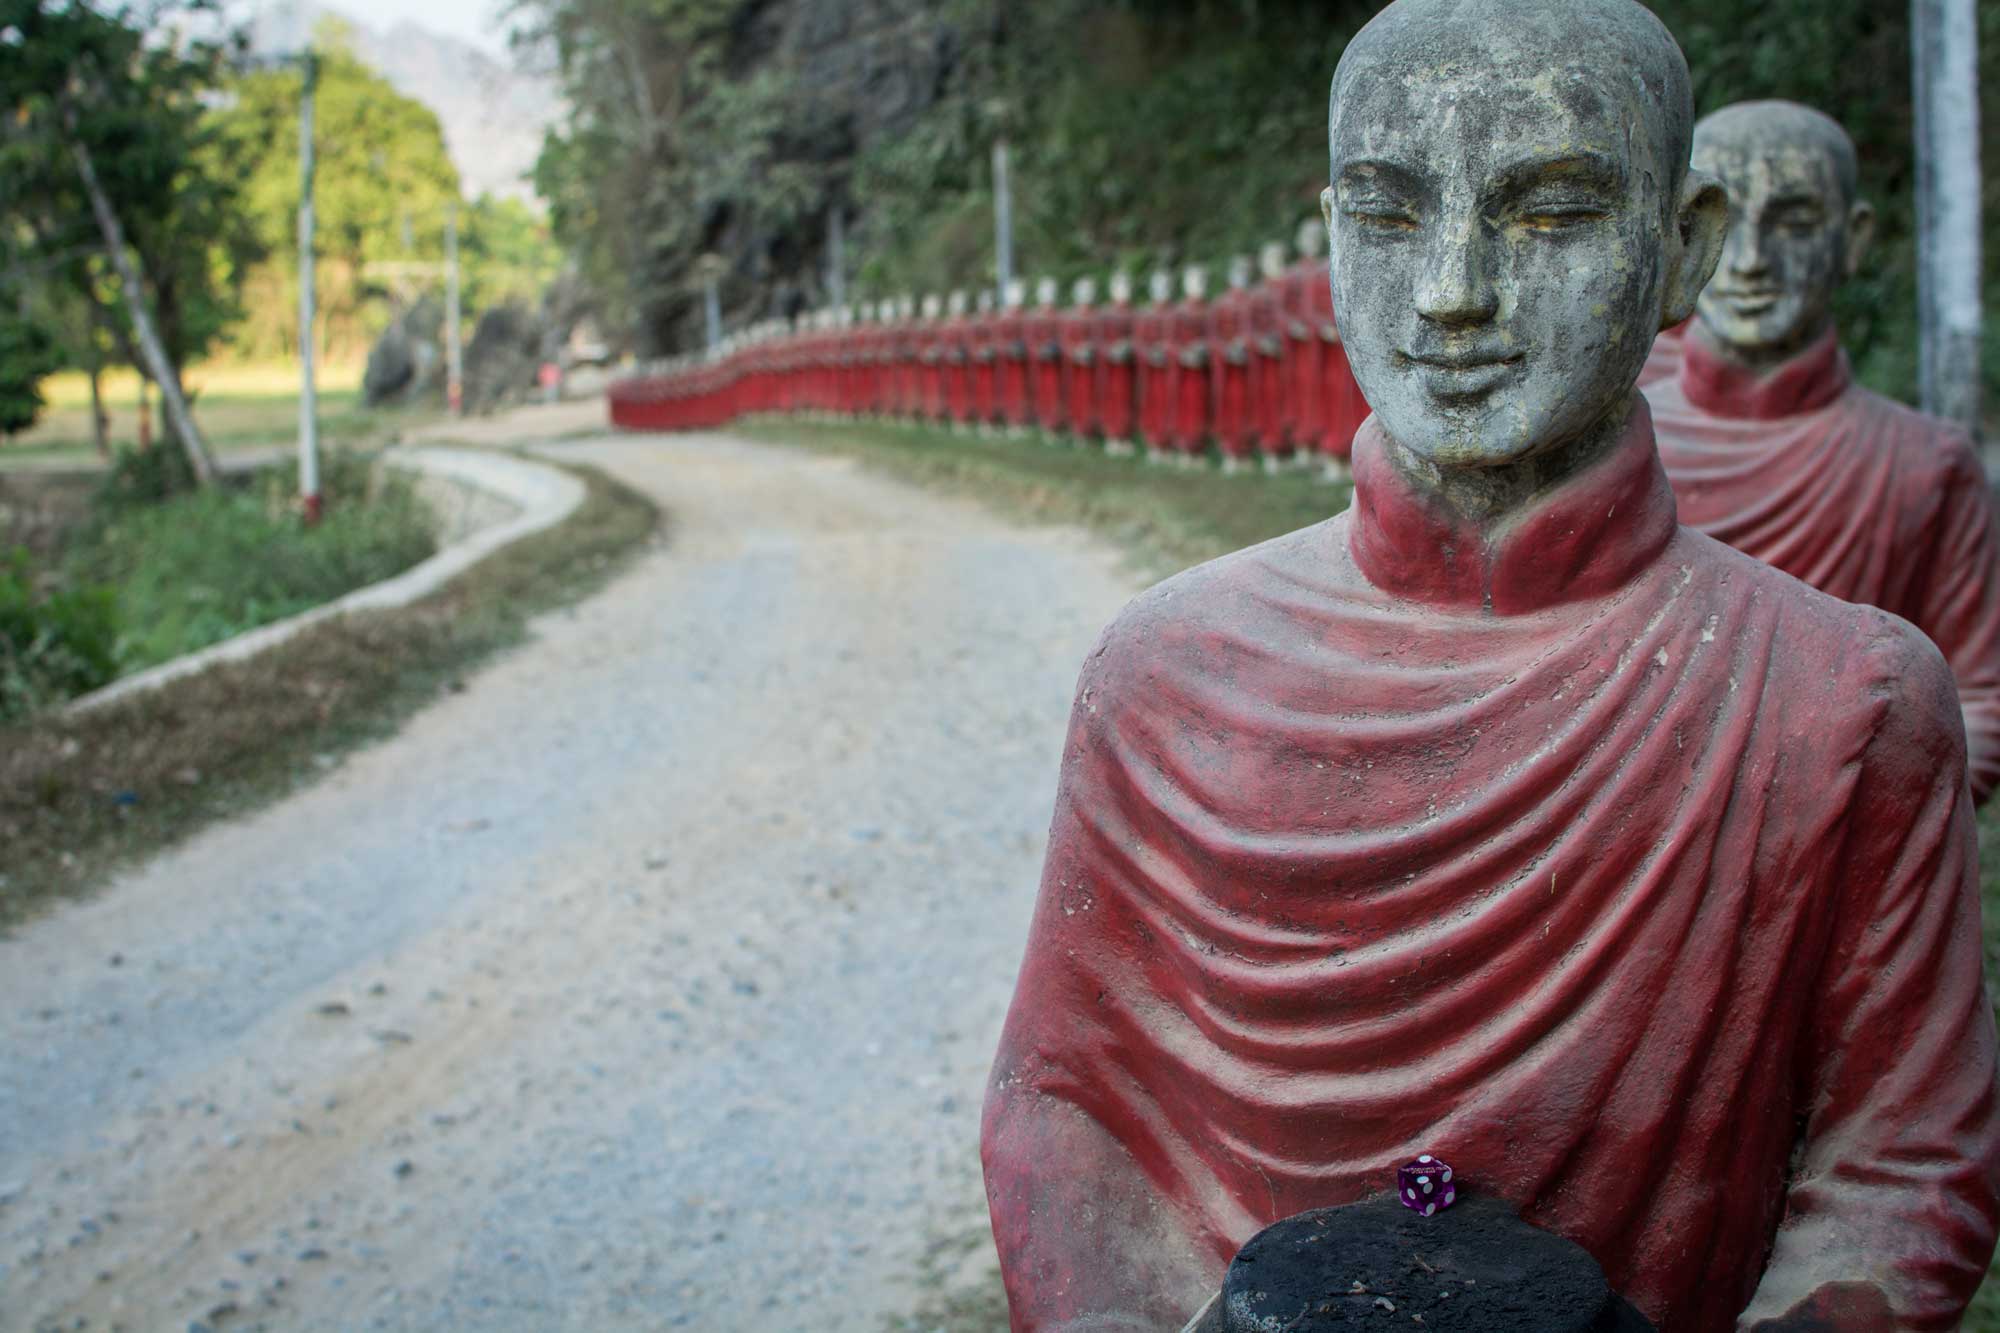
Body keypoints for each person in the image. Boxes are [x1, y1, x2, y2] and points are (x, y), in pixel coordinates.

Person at [981, 2, 2000, 1329]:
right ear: (1334, 227)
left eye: (1552, 213)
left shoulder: (1847, 701)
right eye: (1390, 215)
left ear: (1681, 247)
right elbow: (1064, 1108)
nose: (1453, 292)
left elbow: (1903, 1168)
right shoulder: (1166, 670)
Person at [1645, 101, 2000, 803]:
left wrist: (1836, 798)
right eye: (1723, 228)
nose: (1749, 263)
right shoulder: (1616, 437)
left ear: (1854, 237)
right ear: (1679, 237)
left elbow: (1982, 706)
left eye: (1795, 223)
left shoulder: (1922, 463)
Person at [1207, 256, 1256, 473]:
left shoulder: (1254, 303)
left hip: (1249, 370)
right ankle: (1230, 451)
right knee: (1229, 408)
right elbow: (1214, 337)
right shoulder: (1221, 304)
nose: (1241, 278)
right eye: (1238, 273)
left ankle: (1247, 451)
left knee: (1250, 407)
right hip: (1229, 370)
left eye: (1245, 273)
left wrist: (1247, 345)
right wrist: (1226, 350)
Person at [1168, 264, 1212, 465]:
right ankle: (1185, 448)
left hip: (1203, 373)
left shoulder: (1210, 311)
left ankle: (1200, 448)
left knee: (1202, 408)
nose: (1198, 286)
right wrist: (1184, 355)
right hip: (1185, 375)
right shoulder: (1179, 312)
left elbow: (1215, 338)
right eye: (1195, 281)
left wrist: (1205, 349)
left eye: (1202, 281)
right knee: (1185, 408)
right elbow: (1172, 342)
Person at [1136, 268, 1177, 463]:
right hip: (1152, 373)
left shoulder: (1177, 314)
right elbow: (1140, 343)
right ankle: (1154, 442)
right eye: (1158, 286)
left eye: (1166, 286)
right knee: (1153, 403)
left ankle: (1173, 442)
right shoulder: (1145, 314)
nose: (1162, 290)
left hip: (1172, 374)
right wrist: (1150, 353)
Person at [1097, 272, 1140, 457]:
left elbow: (1141, 340)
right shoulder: (1105, 314)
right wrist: (1110, 350)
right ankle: (1113, 436)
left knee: (1129, 401)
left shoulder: (1136, 313)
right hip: (1111, 371)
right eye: (1120, 287)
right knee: (1112, 401)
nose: (1124, 291)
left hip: (1129, 372)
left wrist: (1130, 347)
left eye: (1127, 287)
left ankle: (1127, 436)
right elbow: (1099, 341)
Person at [1062, 277, 1101, 445]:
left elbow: (1102, 342)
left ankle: (1096, 430)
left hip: (1095, 373)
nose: (1086, 296)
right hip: (1077, 372)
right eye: (1083, 292)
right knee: (1078, 399)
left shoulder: (1100, 318)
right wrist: (1076, 352)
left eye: (1089, 292)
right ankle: (1079, 431)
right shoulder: (1070, 318)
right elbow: (1066, 343)